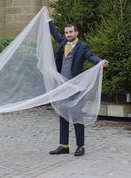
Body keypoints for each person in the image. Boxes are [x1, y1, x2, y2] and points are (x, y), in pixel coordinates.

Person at [46, 9, 108, 157]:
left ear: (76, 33)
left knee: (77, 115)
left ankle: (80, 146)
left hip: (75, 87)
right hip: (63, 86)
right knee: (63, 114)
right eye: (66, 32)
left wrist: (100, 62)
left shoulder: (82, 47)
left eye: (71, 32)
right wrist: (48, 19)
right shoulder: (63, 43)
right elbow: (54, 33)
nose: (68, 35)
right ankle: (64, 145)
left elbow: (91, 56)